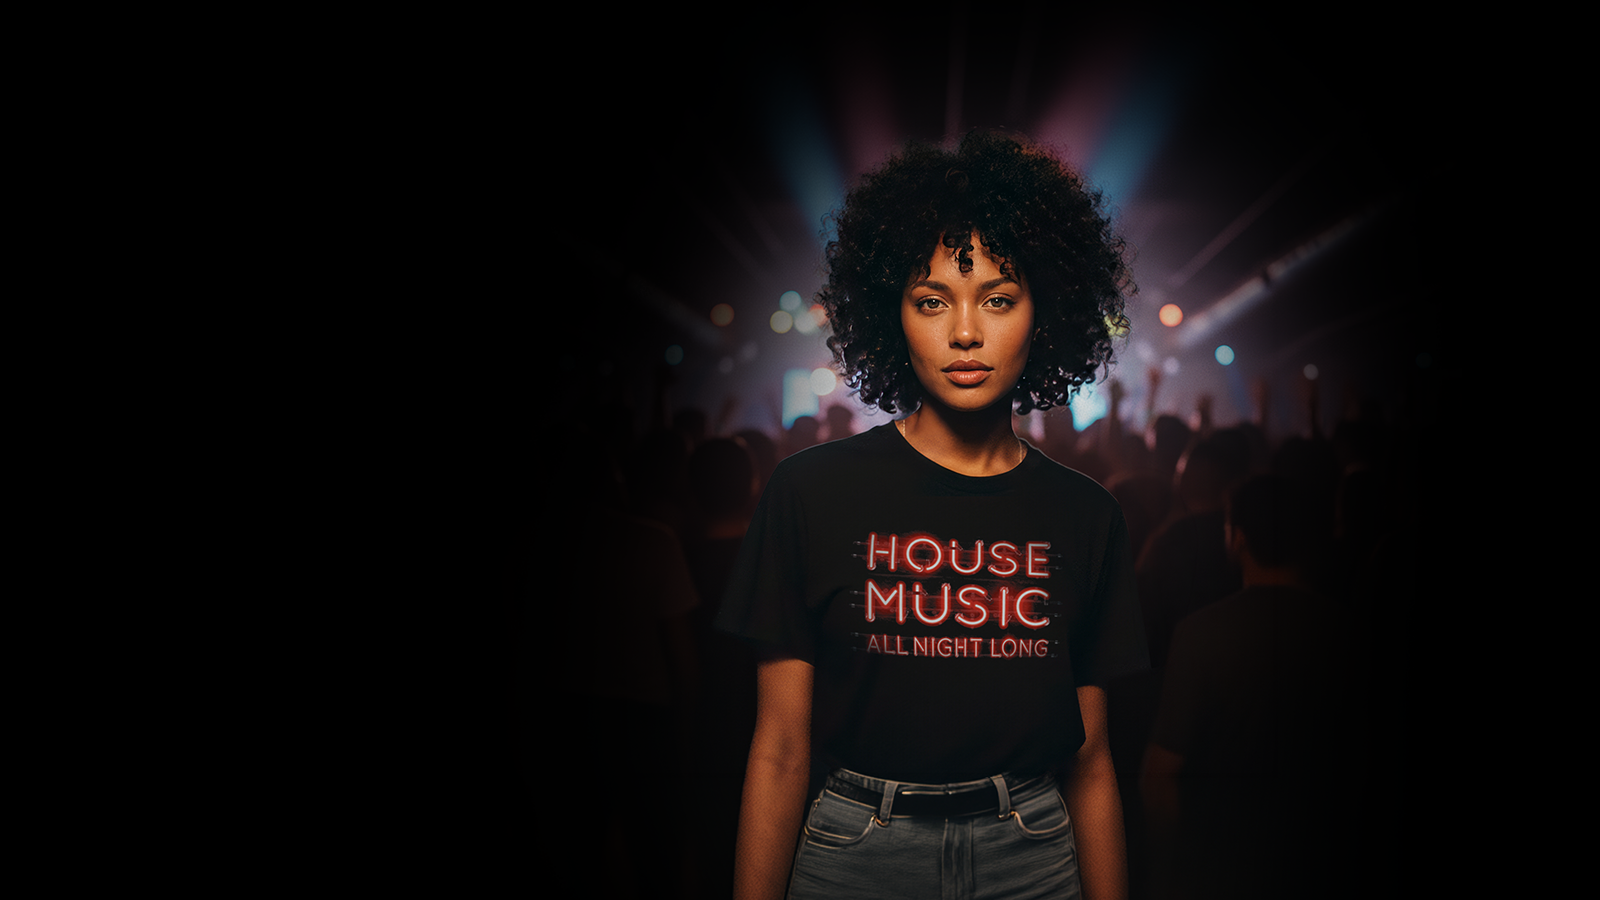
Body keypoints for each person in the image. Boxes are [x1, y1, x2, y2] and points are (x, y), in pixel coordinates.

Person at [716, 131, 1147, 900]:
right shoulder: (809, 493)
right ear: (892, 314)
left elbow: (1091, 763)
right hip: (854, 854)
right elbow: (779, 749)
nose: (966, 333)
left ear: (1046, 312)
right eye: (932, 301)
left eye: (999, 299)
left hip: (1034, 855)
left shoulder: (1087, 516)